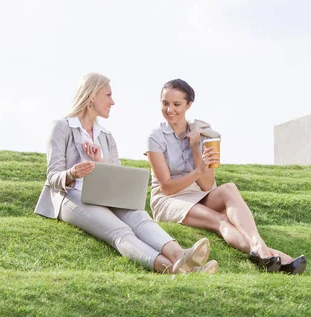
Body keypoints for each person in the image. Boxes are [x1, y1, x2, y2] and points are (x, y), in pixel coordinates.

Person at [34, 73, 217, 274]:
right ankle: (176, 270)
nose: (112, 102)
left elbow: (115, 176)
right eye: (108, 95)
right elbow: (52, 177)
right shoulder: (62, 126)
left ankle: (180, 255)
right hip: (70, 197)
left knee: (140, 218)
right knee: (121, 232)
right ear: (92, 96)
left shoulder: (106, 136)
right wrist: (73, 173)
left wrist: (99, 162)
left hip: (103, 194)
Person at [145, 78, 306, 274]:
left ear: (189, 105)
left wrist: (196, 148)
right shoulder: (155, 138)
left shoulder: (202, 134)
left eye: (176, 104)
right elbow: (167, 187)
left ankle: (261, 249)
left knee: (229, 188)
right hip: (169, 199)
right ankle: (277, 258)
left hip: (197, 193)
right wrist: (197, 171)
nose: (170, 109)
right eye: (165, 103)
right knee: (220, 220)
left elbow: (206, 185)